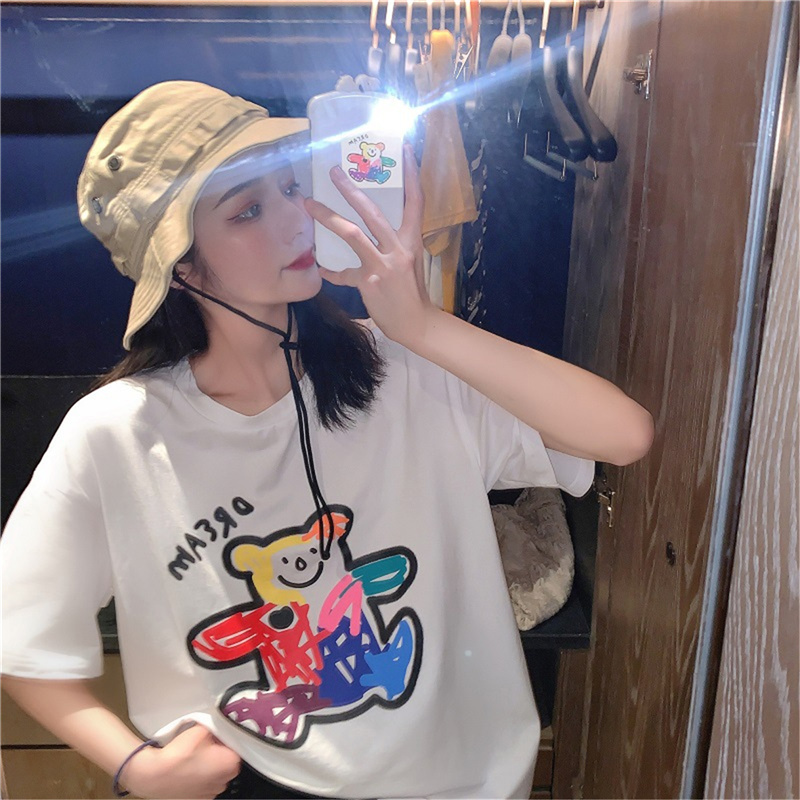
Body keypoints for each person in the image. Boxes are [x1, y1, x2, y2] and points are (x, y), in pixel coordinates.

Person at [0, 81, 654, 800]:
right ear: (181, 266)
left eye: (291, 186)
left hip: (457, 784)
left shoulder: (407, 367)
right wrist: (139, 768)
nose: (297, 220)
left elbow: (624, 435)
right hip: (254, 781)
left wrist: (421, 325)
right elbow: (18, 632)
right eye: (248, 210)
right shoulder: (117, 434)